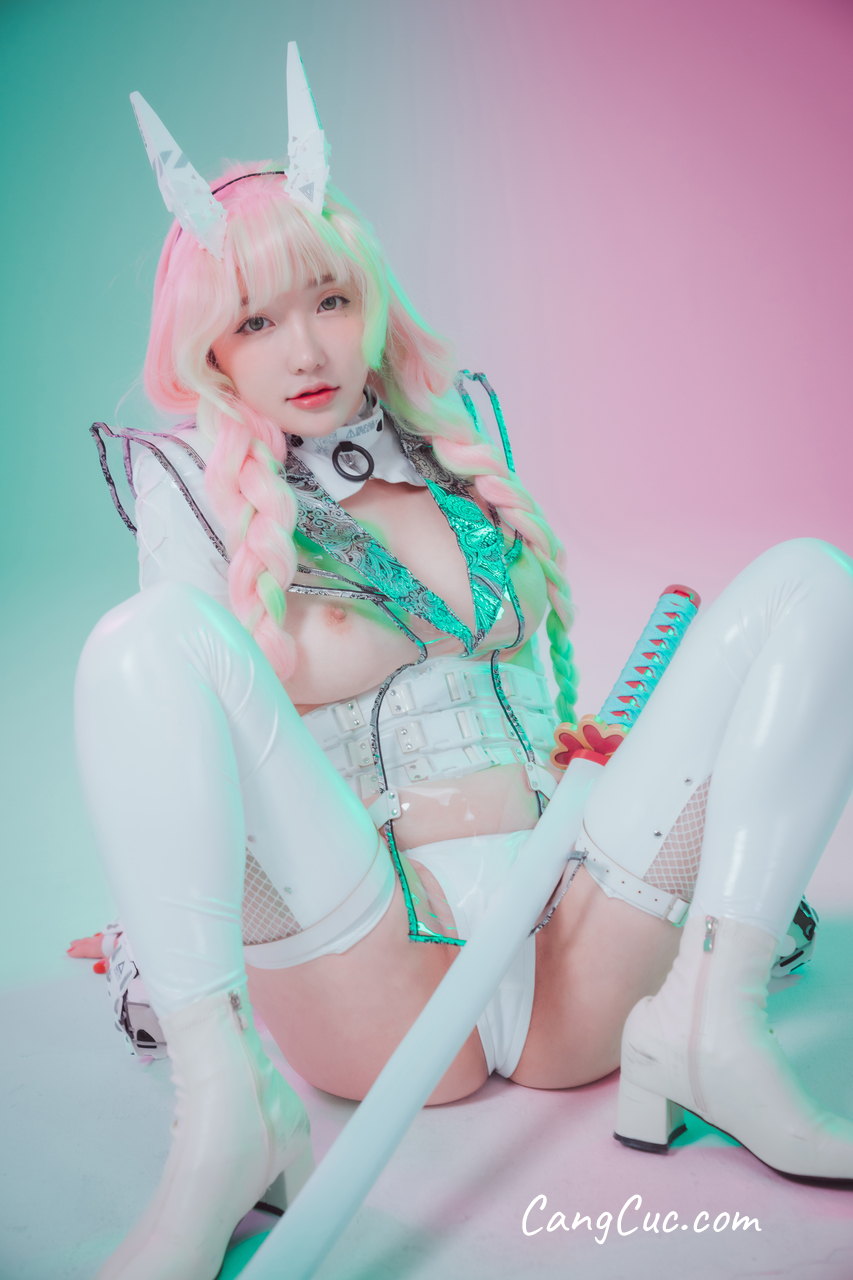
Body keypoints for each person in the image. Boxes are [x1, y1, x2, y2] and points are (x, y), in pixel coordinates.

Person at [75, 44, 853, 1280]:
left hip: (572, 935)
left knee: (814, 579)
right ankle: (227, 1118)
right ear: (210, 346)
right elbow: (181, 724)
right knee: (138, 644)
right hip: (373, 962)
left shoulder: (458, 428)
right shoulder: (184, 482)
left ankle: (714, 1017)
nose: (305, 348)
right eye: (257, 320)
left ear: (370, 298)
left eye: (330, 300)